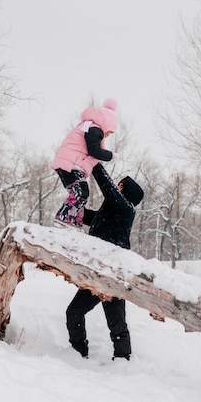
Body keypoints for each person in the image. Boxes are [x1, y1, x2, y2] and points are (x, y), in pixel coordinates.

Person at [65, 163, 144, 360]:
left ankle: (122, 359)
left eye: (121, 186)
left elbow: (108, 189)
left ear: (127, 193)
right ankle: (78, 353)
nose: (117, 187)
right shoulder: (110, 212)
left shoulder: (126, 209)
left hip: (113, 276)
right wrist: (72, 212)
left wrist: (94, 164)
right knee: (74, 312)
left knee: (117, 324)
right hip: (96, 274)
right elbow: (89, 217)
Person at [51, 99, 118, 228]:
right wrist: (110, 155)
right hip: (71, 165)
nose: (108, 135)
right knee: (80, 191)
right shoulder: (94, 129)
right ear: (106, 123)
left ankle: (75, 221)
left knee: (82, 192)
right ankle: (63, 217)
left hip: (70, 163)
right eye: (110, 131)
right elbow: (94, 150)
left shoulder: (88, 127)